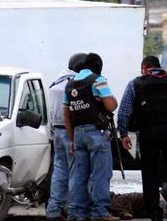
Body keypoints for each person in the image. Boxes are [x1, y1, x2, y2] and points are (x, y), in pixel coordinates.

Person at [118, 56, 167, 221]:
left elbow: (124, 110)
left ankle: (154, 213)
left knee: (150, 173)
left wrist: (123, 133)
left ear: (144, 68)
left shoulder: (135, 84)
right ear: (158, 67)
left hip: (147, 133)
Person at [64, 53, 119, 221]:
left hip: (78, 133)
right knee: (101, 174)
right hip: (97, 133)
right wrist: (112, 100)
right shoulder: (98, 80)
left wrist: (72, 139)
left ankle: (76, 212)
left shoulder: (70, 85)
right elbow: (110, 106)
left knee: (79, 175)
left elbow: (66, 115)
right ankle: (100, 212)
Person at [46, 53, 87, 221]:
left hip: (56, 132)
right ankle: (72, 210)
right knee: (76, 173)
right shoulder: (76, 85)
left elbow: (50, 112)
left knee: (59, 172)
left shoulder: (55, 84)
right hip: (72, 132)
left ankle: (54, 210)